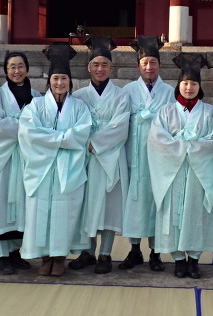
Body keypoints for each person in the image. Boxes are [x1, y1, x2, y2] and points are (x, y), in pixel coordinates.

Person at [18, 43, 92, 277]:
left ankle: (59, 256)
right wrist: (62, 138)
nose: (60, 83)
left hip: (68, 168)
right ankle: (45, 256)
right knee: (40, 212)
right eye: (55, 79)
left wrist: (51, 138)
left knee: (64, 213)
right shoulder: (36, 105)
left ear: (70, 82)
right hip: (41, 168)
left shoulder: (79, 107)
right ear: (49, 81)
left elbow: (82, 134)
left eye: (64, 79)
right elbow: (29, 134)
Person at [148, 53, 213, 280]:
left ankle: (194, 259)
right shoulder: (166, 111)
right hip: (173, 172)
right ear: (179, 85)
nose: (189, 88)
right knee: (173, 214)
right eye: (185, 83)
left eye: (194, 84)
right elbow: (157, 140)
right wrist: (183, 146)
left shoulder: (209, 112)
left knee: (197, 213)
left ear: (200, 86)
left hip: (199, 172)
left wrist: (194, 147)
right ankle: (178, 259)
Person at [70, 36, 131, 274]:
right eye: (96, 64)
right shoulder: (79, 96)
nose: (100, 69)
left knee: (109, 207)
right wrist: (85, 143)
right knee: (87, 205)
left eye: (104, 65)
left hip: (111, 157)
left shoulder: (121, 95)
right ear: (88, 67)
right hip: (85, 159)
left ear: (111, 68)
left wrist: (95, 143)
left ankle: (105, 253)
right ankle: (87, 252)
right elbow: (74, 124)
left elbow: (120, 126)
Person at [118, 35, 174, 272]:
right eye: (145, 63)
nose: (149, 67)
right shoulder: (128, 91)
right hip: (135, 155)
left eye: (153, 62)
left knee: (156, 203)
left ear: (159, 65)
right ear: (138, 66)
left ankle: (156, 252)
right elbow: (121, 123)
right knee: (134, 203)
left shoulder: (169, 92)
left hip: (160, 158)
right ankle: (134, 250)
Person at [0, 51, 39, 274]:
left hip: (26, 157)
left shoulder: (36, 96)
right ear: (6, 70)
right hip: (3, 157)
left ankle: (16, 252)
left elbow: (40, 126)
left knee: (23, 205)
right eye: (12, 67)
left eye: (20, 66)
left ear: (27, 68)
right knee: (1, 203)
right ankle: (1, 254)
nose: (17, 71)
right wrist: (25, 127)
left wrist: (14, 124)